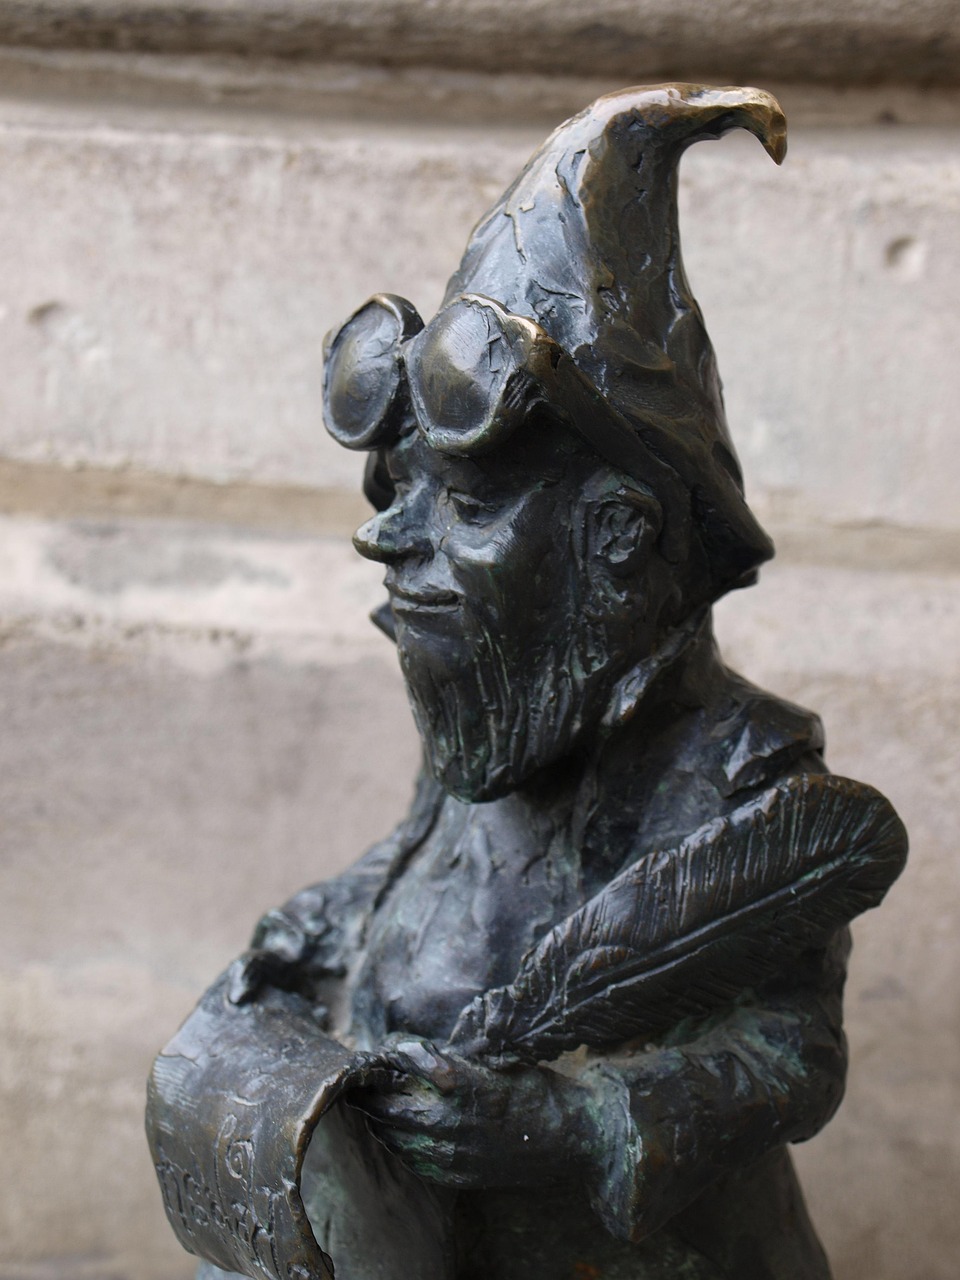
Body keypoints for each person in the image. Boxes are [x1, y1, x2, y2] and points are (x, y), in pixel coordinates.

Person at [161, 85, 907, 1280]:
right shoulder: (495, 729)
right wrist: (301, 945)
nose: (386, 538)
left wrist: (571, 1123)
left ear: (617, 535)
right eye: (394, 489)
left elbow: (790, 1053)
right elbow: (399, 869)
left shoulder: (743, 772)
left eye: (462, 500)